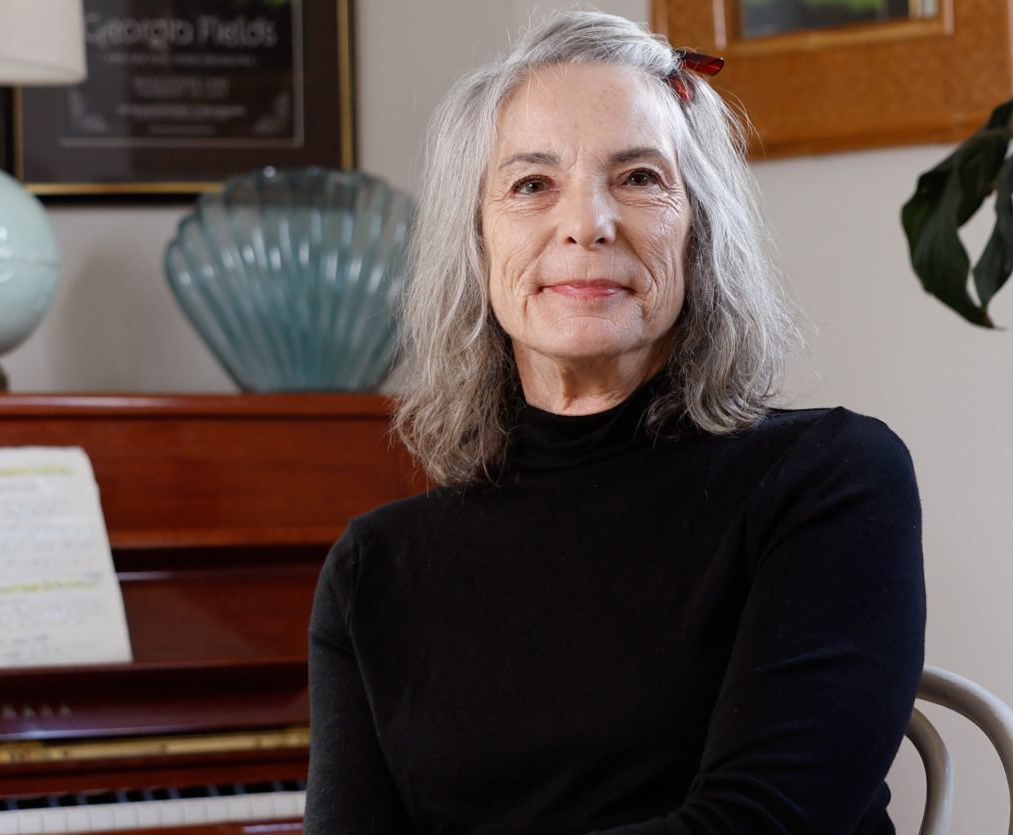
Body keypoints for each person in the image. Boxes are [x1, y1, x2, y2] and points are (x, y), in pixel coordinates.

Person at [305, 11, 926, 835]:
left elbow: (761, 824)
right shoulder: (373, 570)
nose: (587, 222)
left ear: (700, 228)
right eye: (532, 185)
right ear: (477, 242)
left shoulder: (830, 478)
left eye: (638, 177)